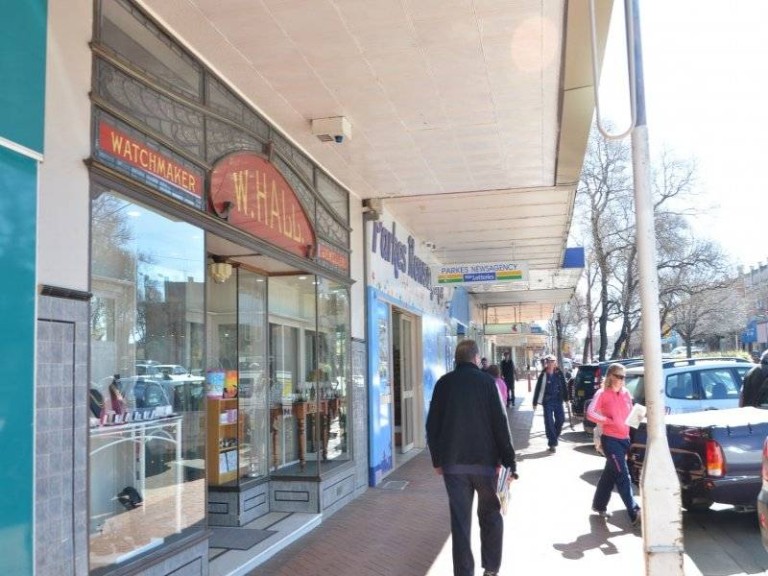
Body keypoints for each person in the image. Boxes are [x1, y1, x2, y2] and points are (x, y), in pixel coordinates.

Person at [426, 339, 517, 576]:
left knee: (460, 523)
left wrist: (437, 460)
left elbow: (432, 425)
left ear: (457, 359)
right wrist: (510, 463)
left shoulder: (443, 384)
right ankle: (491, 568)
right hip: (486, 466)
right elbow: (501, 425)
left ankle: (464, 572)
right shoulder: (488, 383)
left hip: (453, 466)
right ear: (476, 358)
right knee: (491, 515)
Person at [586, 362, 641, 526]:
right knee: (623, 475)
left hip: (624, 439)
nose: (623, 380)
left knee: (610, 474)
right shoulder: (602, 393)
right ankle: (634, 512)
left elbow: (630, 416)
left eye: (624, 377)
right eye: (620, 376)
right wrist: (608, 421)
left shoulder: (626, 393)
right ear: (610, 376)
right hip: (610, 440)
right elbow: (590, 413)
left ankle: (598, 505)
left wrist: (639, 416)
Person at [532, 355, 568, 452]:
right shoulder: (543, 374)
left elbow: (564, 385)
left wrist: (566, 398)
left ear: (555, 363)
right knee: (549, 422)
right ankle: (552, 443)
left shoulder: (559, 373)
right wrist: (535, 402)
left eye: (552, 361)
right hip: (547, 401)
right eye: (549, 362)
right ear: (546, 363)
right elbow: (538, 388)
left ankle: (553, 437)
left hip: (558, 400)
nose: (551, 363)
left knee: (561, 420)